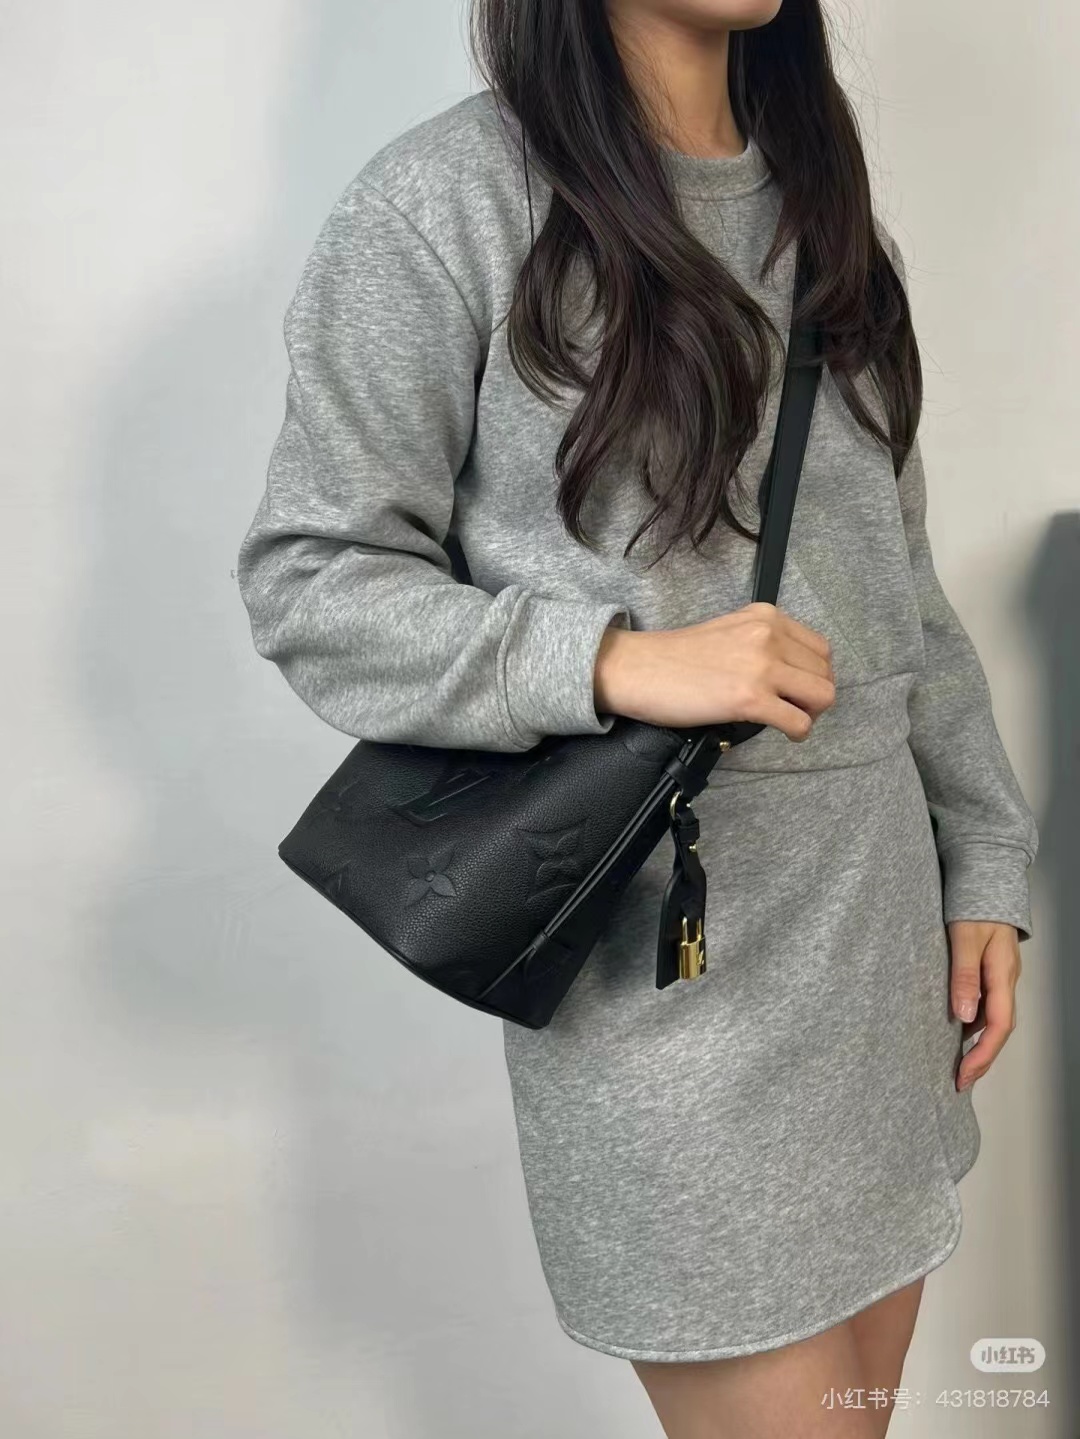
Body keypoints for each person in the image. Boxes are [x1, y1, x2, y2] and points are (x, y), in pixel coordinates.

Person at [235, 2, 1039, 1434]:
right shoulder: (448, 204)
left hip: (875, 952)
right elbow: (314, 578)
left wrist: (983, 858)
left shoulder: (826, 210)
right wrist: (611, 661)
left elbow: (898, 586)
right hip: (666, 976)